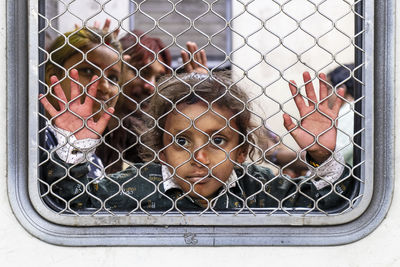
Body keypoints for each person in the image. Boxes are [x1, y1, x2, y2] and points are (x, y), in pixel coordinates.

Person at [39, 70, 355, 212]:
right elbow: (73, 203)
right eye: (181, 141)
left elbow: (329, 203)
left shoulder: (261, 189)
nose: (199, 158)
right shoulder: (131, 187)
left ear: (243, 151)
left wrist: (322, 154)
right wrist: (75, 146)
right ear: (161, 151)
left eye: (218, 140)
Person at [97, 30, 208, 173]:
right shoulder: (79, 122)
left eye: (158, 78)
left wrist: (199, 97)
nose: (150, 86)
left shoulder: (135, 131)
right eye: (141, 72)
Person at [42, 28, 122, 179]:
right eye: (88, 71)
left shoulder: (94, 161)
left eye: (113, 78)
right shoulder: (34, 137)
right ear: (53, 75)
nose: (104, 86)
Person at [328, 64, 355, 166]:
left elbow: (329, 160)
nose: (324, 96)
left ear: (341, 90)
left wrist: (276, 154)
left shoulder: (349, 112)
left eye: (327, 88)